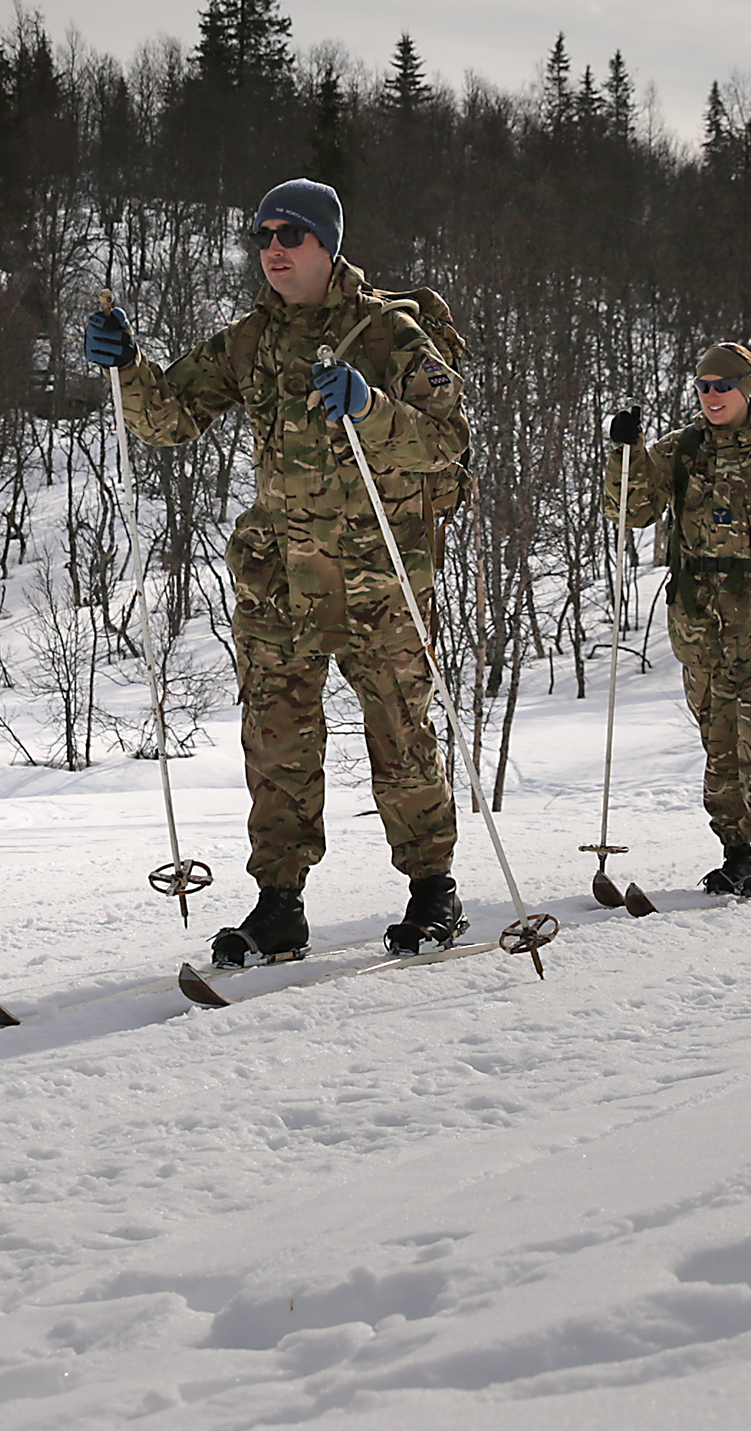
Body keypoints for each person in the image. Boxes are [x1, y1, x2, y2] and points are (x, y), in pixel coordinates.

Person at [82, 180, 473, 964]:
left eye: (290, 235)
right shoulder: (252, 339)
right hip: (280, 579)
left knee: (400, 736)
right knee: (278, 742)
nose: (273, 249)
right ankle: (280, 904)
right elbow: (170, 416)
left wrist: (370, 408)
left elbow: (448, 442)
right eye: (262, 236)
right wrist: (127, 368)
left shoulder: (391, 335)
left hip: (377, 580)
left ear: (327, 245)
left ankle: (434, 891)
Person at [601, 343, 751, 899]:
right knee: (719, 741)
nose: (712, 395)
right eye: (703, 385)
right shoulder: (682, 449)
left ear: (747, 387)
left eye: (723, 385)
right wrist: (626, 454)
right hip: (701, 618)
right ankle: (734, 851)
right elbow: (629, 512)